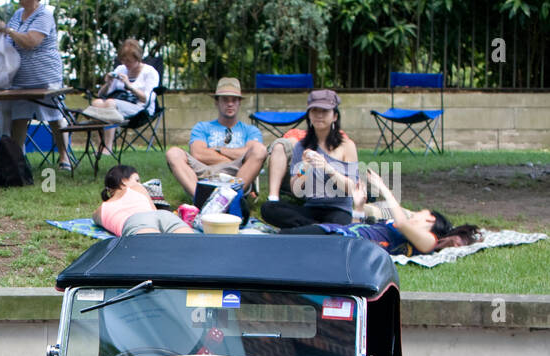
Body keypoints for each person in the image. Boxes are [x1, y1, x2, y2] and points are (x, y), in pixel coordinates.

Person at [281, 167, 481, 255]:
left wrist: (383, 187)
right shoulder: (409, 233)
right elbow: (357, 228)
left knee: (282, 241)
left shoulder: (429, 241)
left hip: (341, 241)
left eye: (420, 213)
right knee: (282, 239)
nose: (415, 215)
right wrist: (358, 207)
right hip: (340, 235)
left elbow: (401, 223)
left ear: (430, 218)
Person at [0, 0, 71, 169]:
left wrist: (8, 31)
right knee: (19, 116)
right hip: (20, 78)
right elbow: (11, 41)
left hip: (45, 77)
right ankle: (18, 159)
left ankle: (64, 157)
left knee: (54, 116)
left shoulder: (44, 15)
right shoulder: (18, 15)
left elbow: (31, 42)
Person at [260, 89, 359, 228]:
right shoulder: (302, 146)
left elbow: (352, 188)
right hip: (311, 209)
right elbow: (296, 190)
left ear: (335, 116)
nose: (319, 115)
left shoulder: (346, 146)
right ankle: (318, 229)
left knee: (337, 222)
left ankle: (306, 231)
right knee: (268, 208)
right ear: (309, 115)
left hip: (338, 210)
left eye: (324, 111)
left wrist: (328, 168)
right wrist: (304, 167)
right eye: (314, 111)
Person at [165, 77, 267, 204]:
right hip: (205, 172)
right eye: (225, 99)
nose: (230, 104)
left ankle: (230, 200)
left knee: (260, 150)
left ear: (239, 102)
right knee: (173, 153)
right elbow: (198, 154)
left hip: (236, 174)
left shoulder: (251, 130)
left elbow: (255, 153)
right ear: (216, 102)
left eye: (234, 100)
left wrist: (218, 149)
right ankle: (201, 201)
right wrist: (237, 157)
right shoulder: (202, 127)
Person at [84, 39, 159, 156]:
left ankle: (107, 148)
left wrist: (129, 85)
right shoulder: (120, 69)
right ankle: (101, 146)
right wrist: (108, 83)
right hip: (116, 102)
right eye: (123, 60)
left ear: (137, 58)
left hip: (139, 107)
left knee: (109, 104)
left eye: (129, 60)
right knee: (96, 103)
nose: (126, 63)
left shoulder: (150, 72)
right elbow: (102, 95)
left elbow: (147, 99)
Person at [94, 164, 191, 236]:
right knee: (192, 244)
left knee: (156, 252)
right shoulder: (137, 187)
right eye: (137, 180)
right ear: (123, 180)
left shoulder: (100, 210)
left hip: (135, 222)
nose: (139, 183)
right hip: (163, 215)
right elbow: (153, 210)